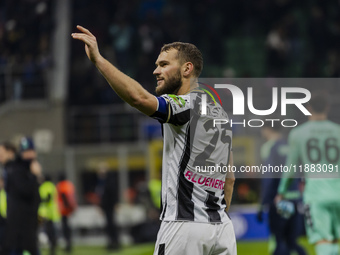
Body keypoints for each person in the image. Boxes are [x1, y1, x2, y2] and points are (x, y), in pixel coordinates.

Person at [72, 25, 236, 255]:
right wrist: (219, 217)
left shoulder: (185, 105)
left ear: (187, 69)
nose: (155, 71)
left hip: (183, 227)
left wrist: (99, 60)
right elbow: (229, 178)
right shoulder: (220, 114)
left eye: (164, 64)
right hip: (223, 230)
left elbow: (138, 98)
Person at [277, 92, 340, 255]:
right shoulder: (337, 131)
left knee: (322, 238)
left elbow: (290, 167)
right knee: (335, 239)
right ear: (327, 107)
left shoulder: (299, 133)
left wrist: (282, 191)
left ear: (308, 108)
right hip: (338, 191)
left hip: (316, 194)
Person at [258, 123, 306, 255]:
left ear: (267, 129)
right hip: (295, 200)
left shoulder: (269, 148)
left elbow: (269, 177)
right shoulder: (291, 146)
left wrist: (263, 203)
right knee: (291, 241)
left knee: (279, 241)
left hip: (279, 200)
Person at [0, 141, 41, 255]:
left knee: (25, 248)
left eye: (2, 151)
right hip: (12, 218)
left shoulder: (15, 169)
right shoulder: (8, 169)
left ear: (10, 153)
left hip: (21, 220)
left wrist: (34, 176)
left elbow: (26, 191)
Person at [95, 162, 120, 250]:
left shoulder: (109, 180)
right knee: (108, 225)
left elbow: (113, 193)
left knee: (111, 224)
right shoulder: (101, 181)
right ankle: (111, 242)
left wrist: (116, 204)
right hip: (105, 206)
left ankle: (115, 242)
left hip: (110, 205)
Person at [39, 175, 60, 255]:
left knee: (41, 230)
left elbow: (47, 198)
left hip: (43, 213)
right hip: (51, 213)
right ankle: (52, 247)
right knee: (51, 232)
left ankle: (45, 245)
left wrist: (41, 201)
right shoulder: (53, 186)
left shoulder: (44, 186)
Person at [56, 173, 77, 253]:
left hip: (64, 210)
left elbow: (63, 196)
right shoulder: (69, 184)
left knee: (65, 227)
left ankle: (67, 243)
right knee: (68, 226)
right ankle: (69, 243)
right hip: (70, 209)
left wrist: (64, 207)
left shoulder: (60, 185)